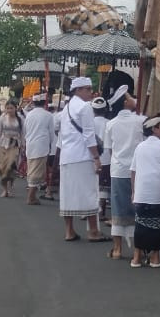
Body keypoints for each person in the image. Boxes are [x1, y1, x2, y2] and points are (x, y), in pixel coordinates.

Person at [57, 77, 107, 242]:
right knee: (90, 193)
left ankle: (69, 231)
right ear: (78, 90)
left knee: (68, 194)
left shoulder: (67, 108)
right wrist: (96, 157)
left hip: (67, 156)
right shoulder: (85, 107)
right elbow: (88, 135)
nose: (90, 92)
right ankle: (93, 230)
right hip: (82, 156)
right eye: (87, 89)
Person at [103, 85, 145, 260]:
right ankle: (138, 250)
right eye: (129, 97)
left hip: (119, 170)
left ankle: (118, 248)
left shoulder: (111, 124)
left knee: (118, 211)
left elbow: (109, 150)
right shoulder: (141, 121)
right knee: (137, 209)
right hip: (137, 170)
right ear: (126, 102)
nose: (133, 99)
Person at [130, 116, 160, 268]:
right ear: (153, 129)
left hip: (142, 192)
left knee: (140, 224)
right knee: (159, 224)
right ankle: (155, 256)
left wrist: (133, 192)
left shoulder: (139, 147)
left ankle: (137, 256)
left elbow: (133, 172)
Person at [23, 94, 55, 205]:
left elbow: (25, 131)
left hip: (30, 145)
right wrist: (52, 146)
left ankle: (32, 197)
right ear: (44, 102)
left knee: (32, 170)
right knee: (36, 173)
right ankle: (30, 197)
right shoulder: (48, 115)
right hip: (41, 147)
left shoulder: (29, 115)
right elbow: (52, 133)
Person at [0, 100, 23, 198]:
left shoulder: (20, 119)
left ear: (15, 108)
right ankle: (5, 189)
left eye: (11, 108)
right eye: (7, 108)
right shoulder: (2, 118)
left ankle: (10, 186)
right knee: (2, 168)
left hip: (14, 145)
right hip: (3, 144)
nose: (9, 110)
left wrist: (23, 145)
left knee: (10, 166)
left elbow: (23, 133)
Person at [92, 97, 112, 221]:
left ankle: (88, 212)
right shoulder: (109, 123)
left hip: (91, 158)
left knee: (91, 186)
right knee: (103, 187)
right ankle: (101, 212)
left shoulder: (89, 122)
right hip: (106, 159)